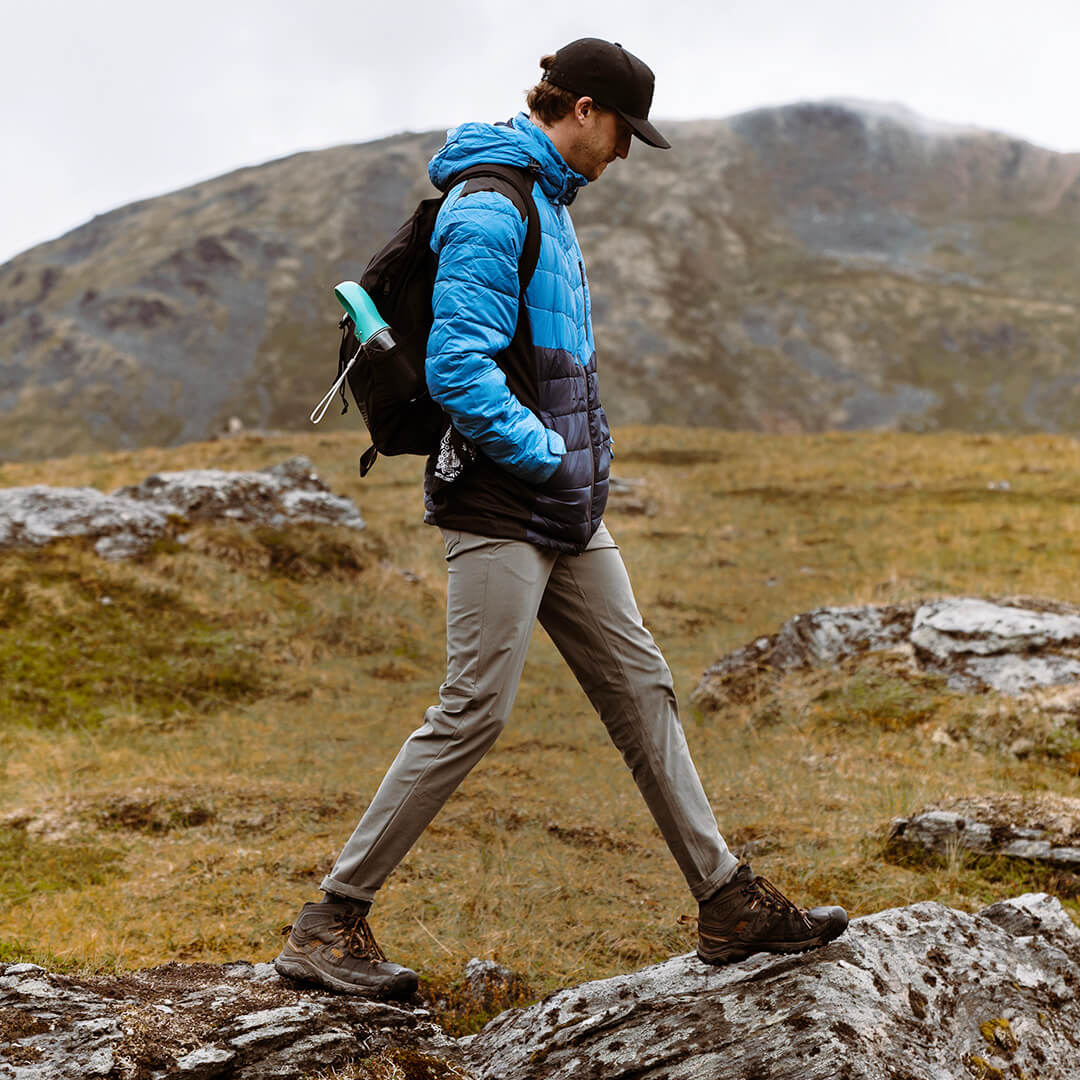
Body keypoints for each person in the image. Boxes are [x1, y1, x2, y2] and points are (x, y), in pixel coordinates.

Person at [274, 38, 848, 999]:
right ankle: (329, 921)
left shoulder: (547, 201)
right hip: (502, 500)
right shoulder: (494, 206)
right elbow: (458, 368)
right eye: (623, 132)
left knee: (641, 688)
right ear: (582, 109)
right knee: (474, 712)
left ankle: (727, 904)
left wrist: (578, 464)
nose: (625, 154)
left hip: (567, 508)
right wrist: (544, 454)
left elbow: (554, 366)